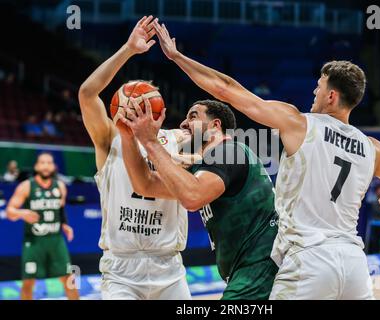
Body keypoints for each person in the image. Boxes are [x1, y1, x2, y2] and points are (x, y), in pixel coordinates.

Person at [153, 22, 380, 299]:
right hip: (354, 263)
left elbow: (226, 89)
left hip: (309, 259)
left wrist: (178, 57)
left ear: (332, 96)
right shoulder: (373, 148)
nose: (314, 93)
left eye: (319, 88)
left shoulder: (298, 123)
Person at [78, 15, 193, 300]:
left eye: (144, 98)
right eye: (130, 97)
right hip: (121, 271)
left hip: (169, 267)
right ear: (118, 105)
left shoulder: (176, 139)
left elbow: (216, 133)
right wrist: (128, 49)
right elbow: (87, 93)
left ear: (157, 107)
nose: (136, 103)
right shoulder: (108, 139)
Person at [119, 98, 279, 300]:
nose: (183, 123)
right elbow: (146, 185)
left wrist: (150, 142)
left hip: (261, 267)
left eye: (193, 116)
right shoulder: (206, 170)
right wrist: (129, 137)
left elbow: (192, 198)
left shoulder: (229, 151)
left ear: (215, 125)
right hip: (249, 270)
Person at [6, 152, 78, 300]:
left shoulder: (60, 186)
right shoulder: (26, 186)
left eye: (49, 163)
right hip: (34, 241)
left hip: (56, 240)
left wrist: (65, 224)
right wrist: (22, 213)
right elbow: (9, 211)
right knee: (28, 282)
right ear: (37, 166)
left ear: (54, 166)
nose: (46, 166)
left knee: (70, 280)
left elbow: (60, 209)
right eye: (42, 162)